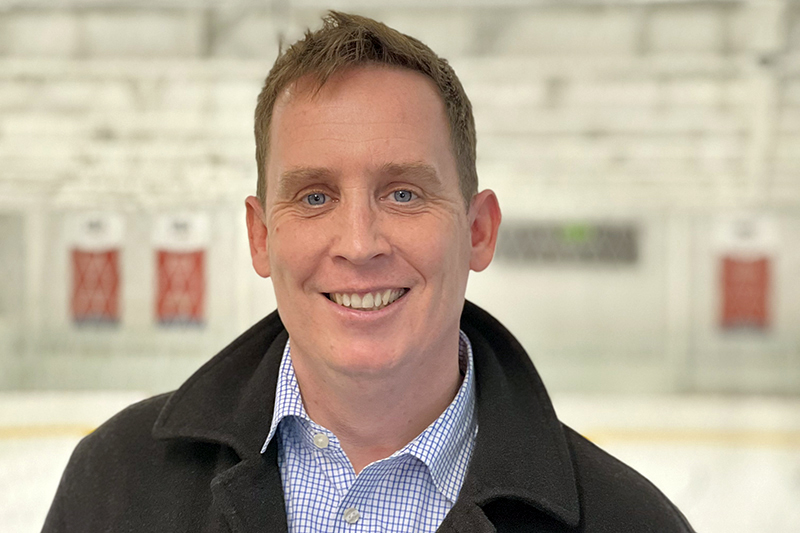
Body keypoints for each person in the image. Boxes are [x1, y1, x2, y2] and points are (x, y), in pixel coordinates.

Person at [43, 11, 694, 533]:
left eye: (404, 193)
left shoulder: (632, 520)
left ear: (477, 230)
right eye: (315, 196)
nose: (358, 243)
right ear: (261, 236)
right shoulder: (117, 483)